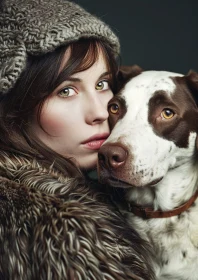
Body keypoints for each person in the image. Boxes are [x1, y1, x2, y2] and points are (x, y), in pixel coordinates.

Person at [0, 0, 155, 279]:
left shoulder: (113, 197)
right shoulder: (57, 230)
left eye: (102, 84)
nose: (99, 112)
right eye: (66, 91)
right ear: (14, 108)